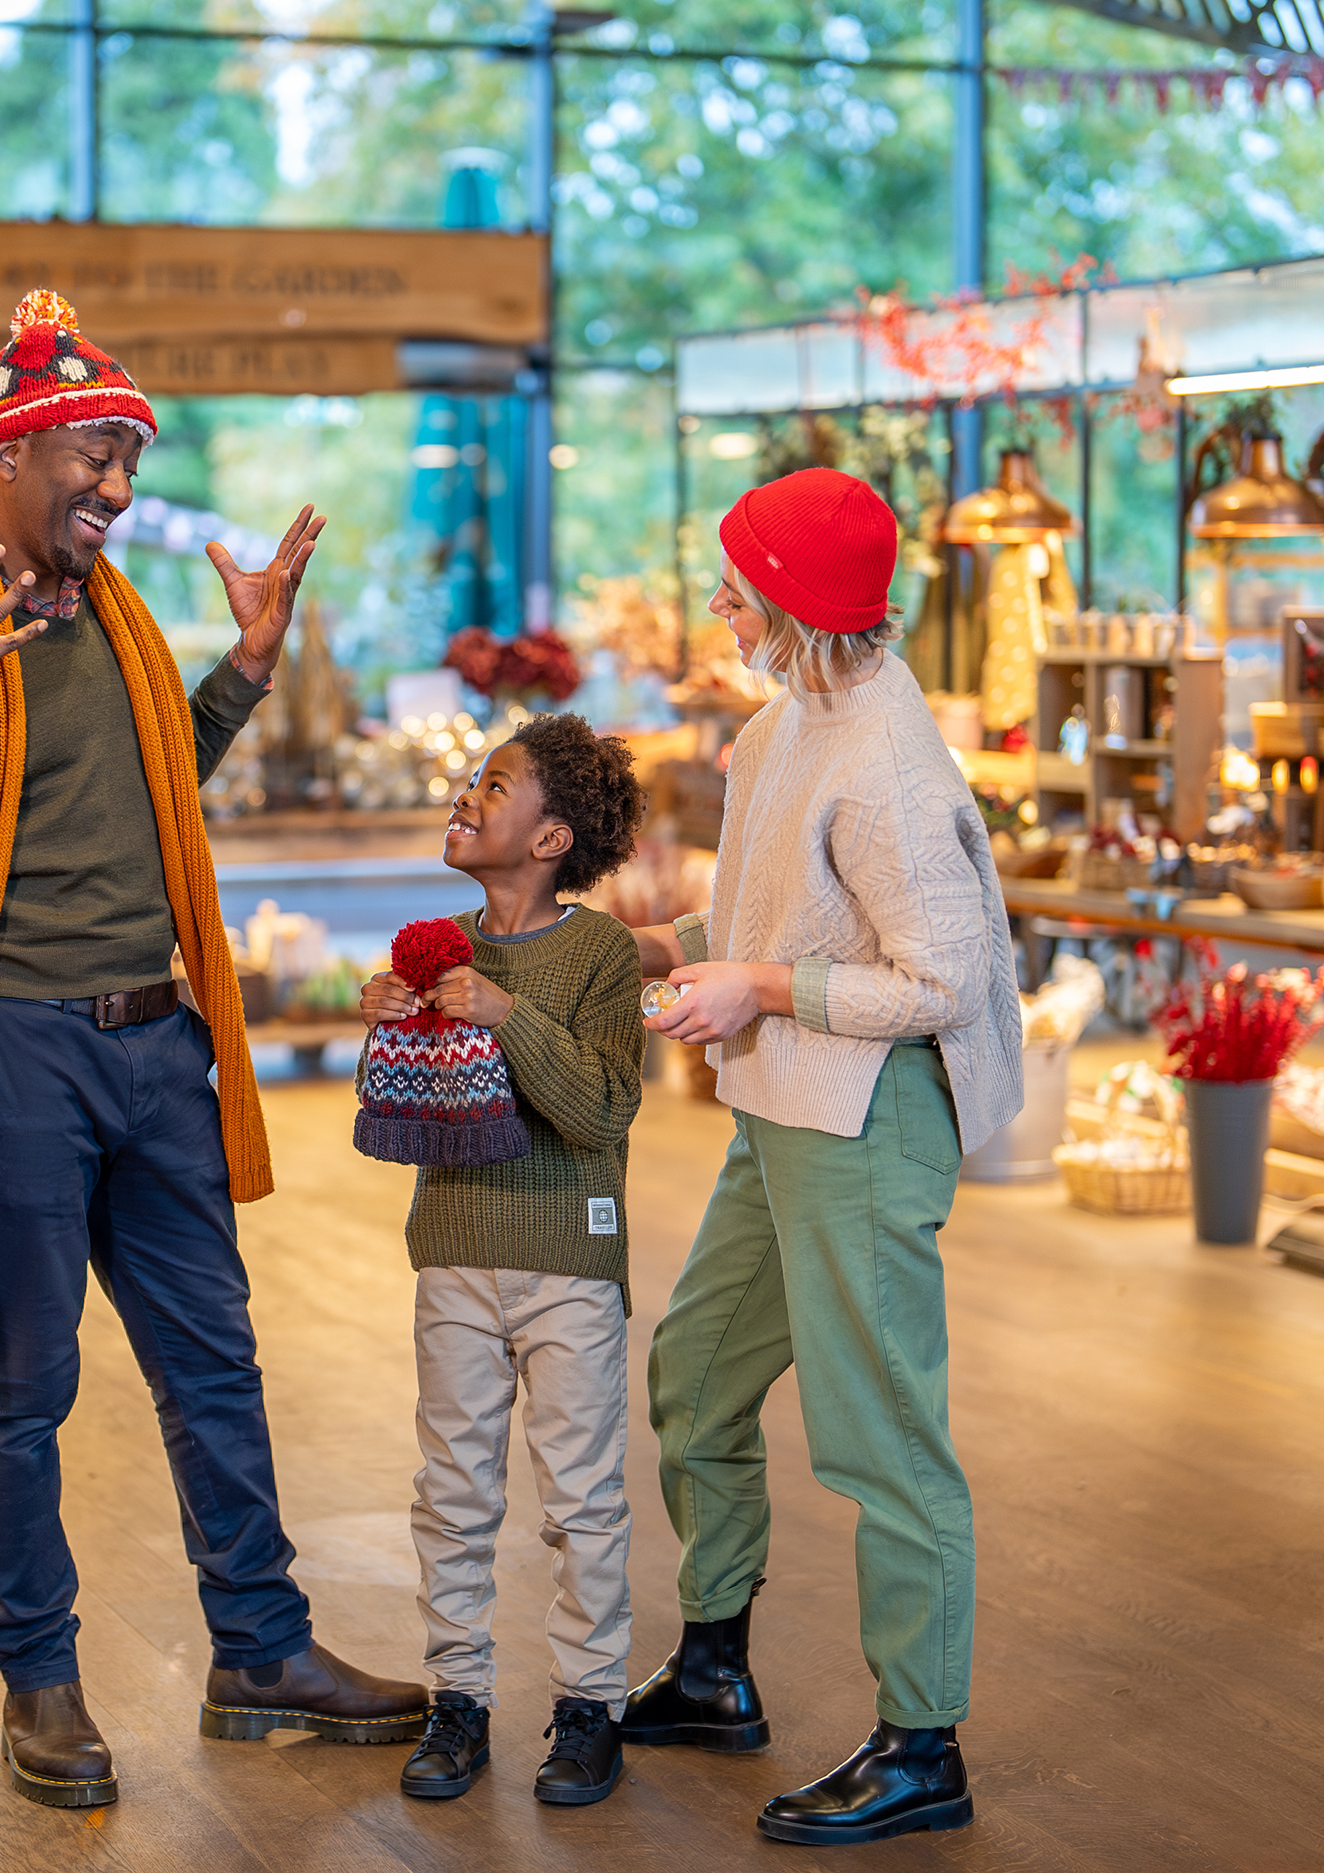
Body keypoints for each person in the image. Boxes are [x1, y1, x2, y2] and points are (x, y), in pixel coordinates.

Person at [0, 289, 428, 1812]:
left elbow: (143, 800)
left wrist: (243, 676)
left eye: (130, 461)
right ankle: (42, 1682)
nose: (120, 490)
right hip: (15, 1054)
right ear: (6, 456)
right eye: (95, 455)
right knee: (23, 1383)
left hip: (157, 1051)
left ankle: (261, 1652)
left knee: (216, 1363)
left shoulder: (124, 624)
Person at [623, 468, 1022, 1846]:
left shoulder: (891, 767)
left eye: (738, 583)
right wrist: (675, 946)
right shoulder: (788, 720)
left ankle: (924, 1744)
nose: (720, 603)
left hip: (867, 1119)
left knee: (881, 1439)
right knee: (696, 1373)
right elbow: (789, 910)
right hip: (785, 1108)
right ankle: (717, 1668)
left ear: (796, 601)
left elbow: (944, 982)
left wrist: (762, 989)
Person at [356, 715, 648, 1807]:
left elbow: (601, 1109)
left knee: (580, 1501)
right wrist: (387, 1027)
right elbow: (408, 1116)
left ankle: (588, 1711)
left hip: (570, 1260)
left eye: (495, 783)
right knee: (453, 1492)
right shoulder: (433, 945)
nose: (467, 794)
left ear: (548, 839)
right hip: (453, 1257)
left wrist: (502, 1011)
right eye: (471, 778)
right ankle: (458, 1703)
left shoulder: (598, 954)